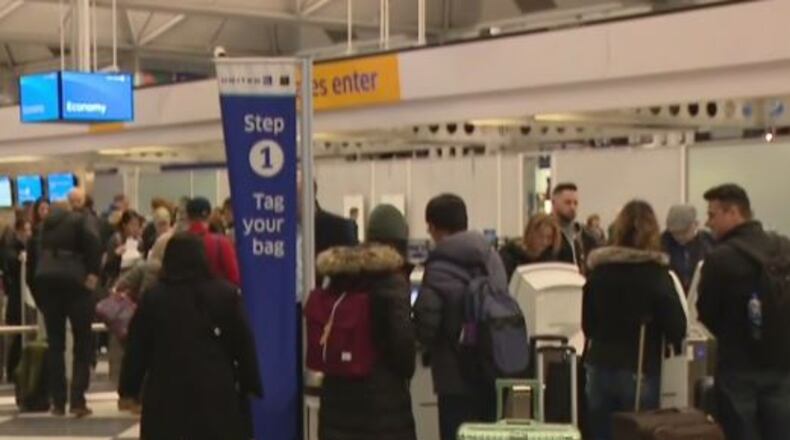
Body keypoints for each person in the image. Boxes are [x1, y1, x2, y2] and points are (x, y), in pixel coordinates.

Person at [120, 233, 262, 439]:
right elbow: (243, 342)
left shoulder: (154, 297)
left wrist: (129, 388)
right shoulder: (225, 294)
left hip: (165, 388)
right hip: (215, 388)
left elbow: (137, 347)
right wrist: (251, 381)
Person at [582, 200, 687, 440]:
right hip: (639, 366)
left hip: (599, 364)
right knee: (637, 433)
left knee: (601, 432)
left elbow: (588, 325)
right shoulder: (656, 275)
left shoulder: (599, 273)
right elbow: (677, 329)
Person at [697, 184, 790, 440]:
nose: (708, 222)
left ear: (733, 212)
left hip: (738, 368)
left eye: (713, 214)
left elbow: (706, 312)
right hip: (782, 365)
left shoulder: (719, 259)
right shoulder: (783, 247)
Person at [316, 204, 416, 440]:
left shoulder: (338, 277)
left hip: (336, 399)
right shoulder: (392, 282)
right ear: (400, 241)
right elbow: (404, 352)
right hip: (382, 407)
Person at [413, 194, 508, 440]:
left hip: (454, 373)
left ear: (433, 227)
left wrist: (423, 342)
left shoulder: (437, 265)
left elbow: (428, 322)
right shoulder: (492, 257)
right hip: (492, 365)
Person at [33, 201, 101, 417]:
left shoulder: (42, 227)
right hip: (75, 284)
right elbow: (94, 244)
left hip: (47, 286)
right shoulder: (80, 221)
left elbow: (33, 262)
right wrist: (92, 273)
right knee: (82, 341)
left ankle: (58, 402)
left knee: (55, 344)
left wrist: (39, 297)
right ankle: (78, 400)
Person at [186, 197, 240, 286]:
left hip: (184, 297)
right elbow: (234, 277)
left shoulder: (177, 242)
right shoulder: (221, 242)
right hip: (217, 296)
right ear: (209, 216)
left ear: (188, 217)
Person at [2, 217, 31, 381]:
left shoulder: (26, 248)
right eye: (25, 230)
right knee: (17, 334)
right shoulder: (12, 250)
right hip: (16, 297)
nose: (28, 233)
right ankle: (13, 369)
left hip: (24, 297)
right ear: (19, 231)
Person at [661, 204, 714, 294]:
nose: (679, 237)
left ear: (695, 224)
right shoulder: (662, 243)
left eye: (684, 232)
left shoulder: (709, 242)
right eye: (675, 233)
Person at [499, 213, 562, 282]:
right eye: (540, 236)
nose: (545, 242)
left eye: (549, 238)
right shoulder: (509, 254)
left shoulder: (550, 258)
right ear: (530, 234)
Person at [551, 183, 592, 271]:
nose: (572, 207)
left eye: (575, 203)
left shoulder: (586, 236)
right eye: (567, 202)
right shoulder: (545, 236)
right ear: (554, 203)